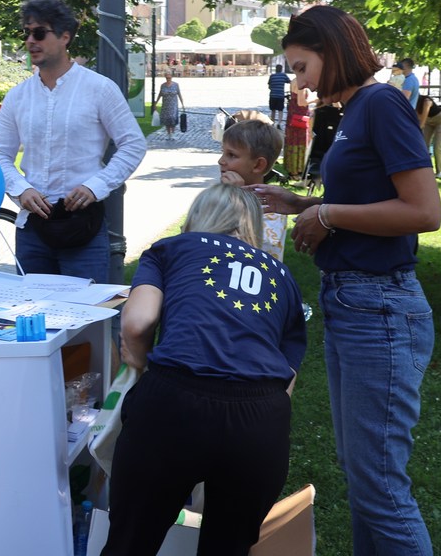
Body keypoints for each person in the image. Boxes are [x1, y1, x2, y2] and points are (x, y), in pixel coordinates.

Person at [252, 5, 441, 556]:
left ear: (332, 52)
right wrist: (305, 205)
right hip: (353, 303)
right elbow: (369, 200)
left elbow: (424, 212)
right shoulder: (358, 109)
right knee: (363, 477)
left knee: (380, 486)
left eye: (303, 66)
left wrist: (328, 215)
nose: (301, 82)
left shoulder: (380, 102)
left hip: (380, 307)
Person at [102, 184, 306, 556]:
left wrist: (142, 362)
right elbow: (287, 377)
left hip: (174, 402)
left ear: (198, 218)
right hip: (260, 419)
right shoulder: (282, 275)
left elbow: (138, 322)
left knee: (130, 542)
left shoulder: (173, 248)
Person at [0, 0, 146, 283]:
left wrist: (95, 185)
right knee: (35, 317)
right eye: (26, 32)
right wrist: (21, 189)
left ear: (65, 36)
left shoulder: (99, 88)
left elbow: (133, 144)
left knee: (86, 320)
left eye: (39, 32)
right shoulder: (18, 96)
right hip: (33, 227)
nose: (30, 41)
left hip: (83, 225)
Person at [219, 119, 288, 261]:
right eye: (222, 152)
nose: (221, 160)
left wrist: (238, 199)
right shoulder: (218, 195)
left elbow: (261, 245)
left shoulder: (272, 204)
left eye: (231, 155)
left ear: (258, 165)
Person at [283, 76, 312, 180]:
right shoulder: (301, 81)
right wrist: (317, 99)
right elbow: (301, 102)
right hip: (300, 117)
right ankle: (296, 172)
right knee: (299, 141)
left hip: (293, 114)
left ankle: (292, 169)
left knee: (292, 141)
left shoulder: (294, 80)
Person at [417, 96, 441, 179]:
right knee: (424, 146)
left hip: (440, 121)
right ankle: (426, 169)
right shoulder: (413, 103)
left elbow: (422, 122)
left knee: (437, 146)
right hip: (428, 122)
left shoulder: (427, 101)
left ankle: (439, 171)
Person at [157, 70, 183, 138]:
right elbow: (160, 94)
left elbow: (179, 93)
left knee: (173, 118)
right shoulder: (163, 85)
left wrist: (182, 103)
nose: (168, 76)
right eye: (167, 74)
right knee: (167, 119)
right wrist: (156, 102)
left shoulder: (176, 85)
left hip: (173, 104)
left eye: (169, 74)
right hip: (166, 104)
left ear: (171, 76)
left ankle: (173, 132)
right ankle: (168, 133)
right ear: (165, 76)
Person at [267, 63, 291, 127]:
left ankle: (272, 122)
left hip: (272, 95)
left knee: (273, 110)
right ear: (281, 69)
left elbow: (269, 86)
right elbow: (289, 81)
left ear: (276, 69)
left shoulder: (272, 76)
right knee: (280, 110)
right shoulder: (283, 75)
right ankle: (279, 123)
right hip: (280, 95)